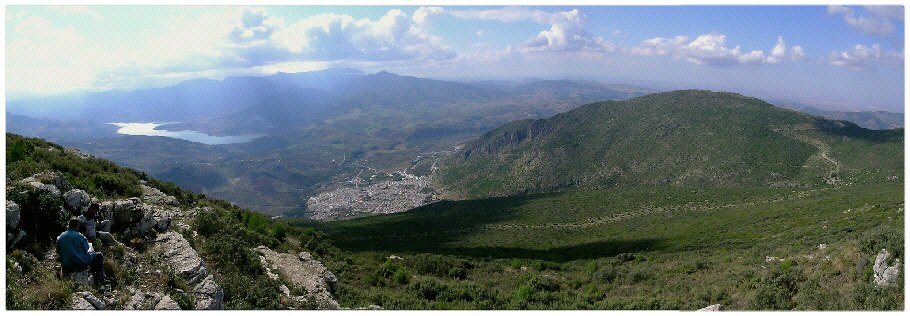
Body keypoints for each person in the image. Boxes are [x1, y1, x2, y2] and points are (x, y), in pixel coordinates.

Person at [57, 217, 110, 285]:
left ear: (69, 225)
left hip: (66, 264)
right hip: (79, 263)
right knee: (98, 255)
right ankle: (101, 278)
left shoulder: (61, 236)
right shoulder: (80, 236)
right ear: (77, 226)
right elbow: (86, 249)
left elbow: (58, 251)